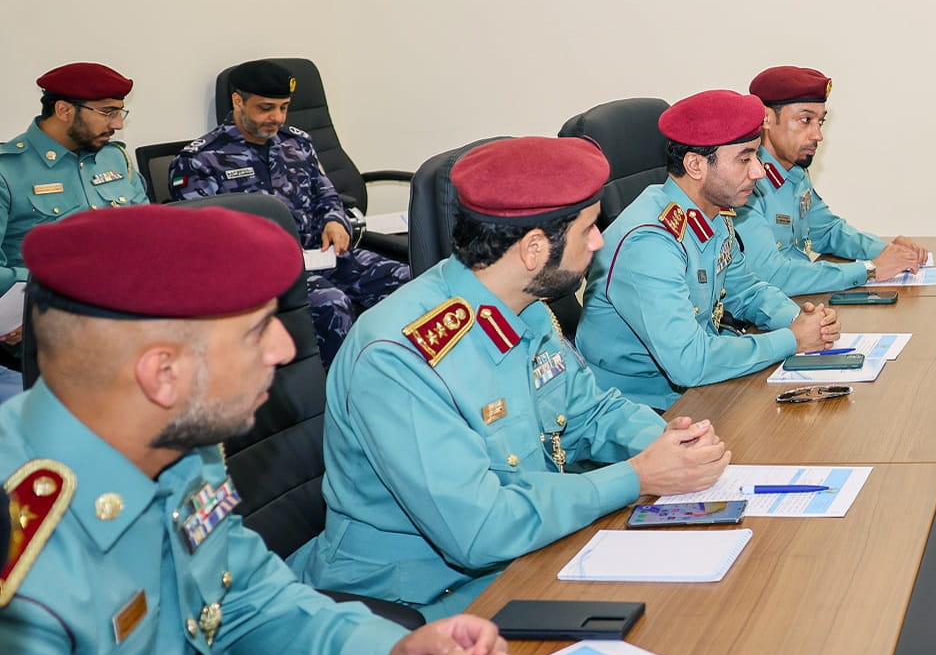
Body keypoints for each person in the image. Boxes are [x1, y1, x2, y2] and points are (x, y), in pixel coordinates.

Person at [0, 205, 520, 655]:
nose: (284, 348)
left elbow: (244, 600)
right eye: (256, 333)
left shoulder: (176, 441)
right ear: (163, 375)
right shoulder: (21, 558)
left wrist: (390, 653)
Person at [295, 137, 730, 617]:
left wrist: (675, 444)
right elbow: (479, 531)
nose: (599, 241)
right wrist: (637, 476)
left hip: (530, 558)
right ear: (534, 249)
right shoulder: (400, 358)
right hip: (418, 605)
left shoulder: (525, 308)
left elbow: (587, 413)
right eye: (588, 229)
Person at [577, 90, 840, 410]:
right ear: (695, 165)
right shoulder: (649, 242)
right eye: (745, 159)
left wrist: (802, 321)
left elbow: (747, 290)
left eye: (756, 157)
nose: (758, 171)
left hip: (698, 388)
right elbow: (688, 361)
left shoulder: (712, 213)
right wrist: (792, 339)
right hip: (643, 409)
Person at [171, 59, 409, 363]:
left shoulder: (296, 143)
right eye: (266, 108)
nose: (277, 118)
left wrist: (335, 221)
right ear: (237, 101)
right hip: (263, 271)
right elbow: (206, 242)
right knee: (331, 304)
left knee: (405, 279)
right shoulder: (200, 160)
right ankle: (338, 395)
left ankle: (395, 372)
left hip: (318, 254)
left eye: (284, 107)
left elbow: (327, 194)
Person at [0, 63, 147, 400]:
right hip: (54, 337)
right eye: (108, 112)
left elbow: (149, 238)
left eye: (121, 112)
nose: (118, 124)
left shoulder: (114, 160)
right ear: (64, 110)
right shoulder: (7, 172)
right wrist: (39, 295)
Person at [734, 65, 928, 294]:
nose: (818, 135)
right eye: (805, 120)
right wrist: (870, 270)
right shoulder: (743, 183)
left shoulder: (794, 172)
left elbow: (828, 231)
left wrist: (886, 252)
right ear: (765, 118)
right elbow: (774, 275)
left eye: (820, 122)